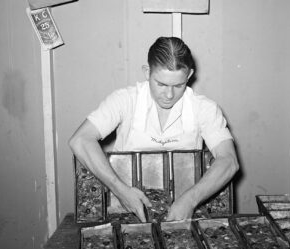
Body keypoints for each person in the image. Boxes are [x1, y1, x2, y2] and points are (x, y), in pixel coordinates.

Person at [69, 37, 239, 222]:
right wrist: (120, 190)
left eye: (178, 85)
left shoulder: (205, 108)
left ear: (189, 75)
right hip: (126, 208)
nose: (169, 95)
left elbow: (229, 161)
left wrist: (190, 200)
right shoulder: (125, 100)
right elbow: (80, 140)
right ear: (147, 72)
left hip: (183, 211)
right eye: (161, 84)